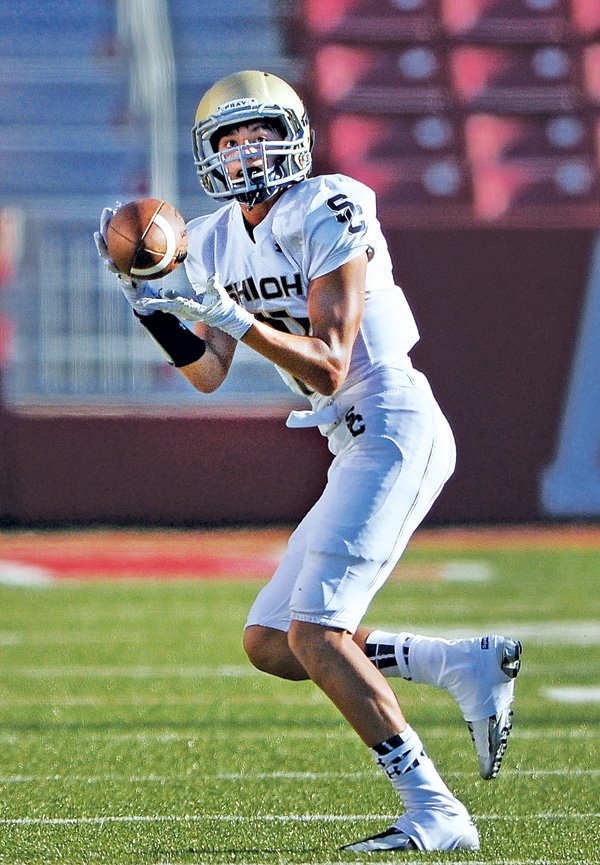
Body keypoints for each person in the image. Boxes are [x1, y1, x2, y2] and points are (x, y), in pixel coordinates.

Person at [94, 70, 521, 853]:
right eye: (230, 138)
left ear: (293, 134)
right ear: (208, 154)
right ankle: (458, 661)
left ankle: (437, 810)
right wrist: (151, 302)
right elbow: (207, 371)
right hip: (349, 441)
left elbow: (329, 363)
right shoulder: (215, 236)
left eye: (258, 132)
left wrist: (222, 307)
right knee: (271, 640)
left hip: (393, 419)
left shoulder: (331, 202)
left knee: (317, 631)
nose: (245, 151)